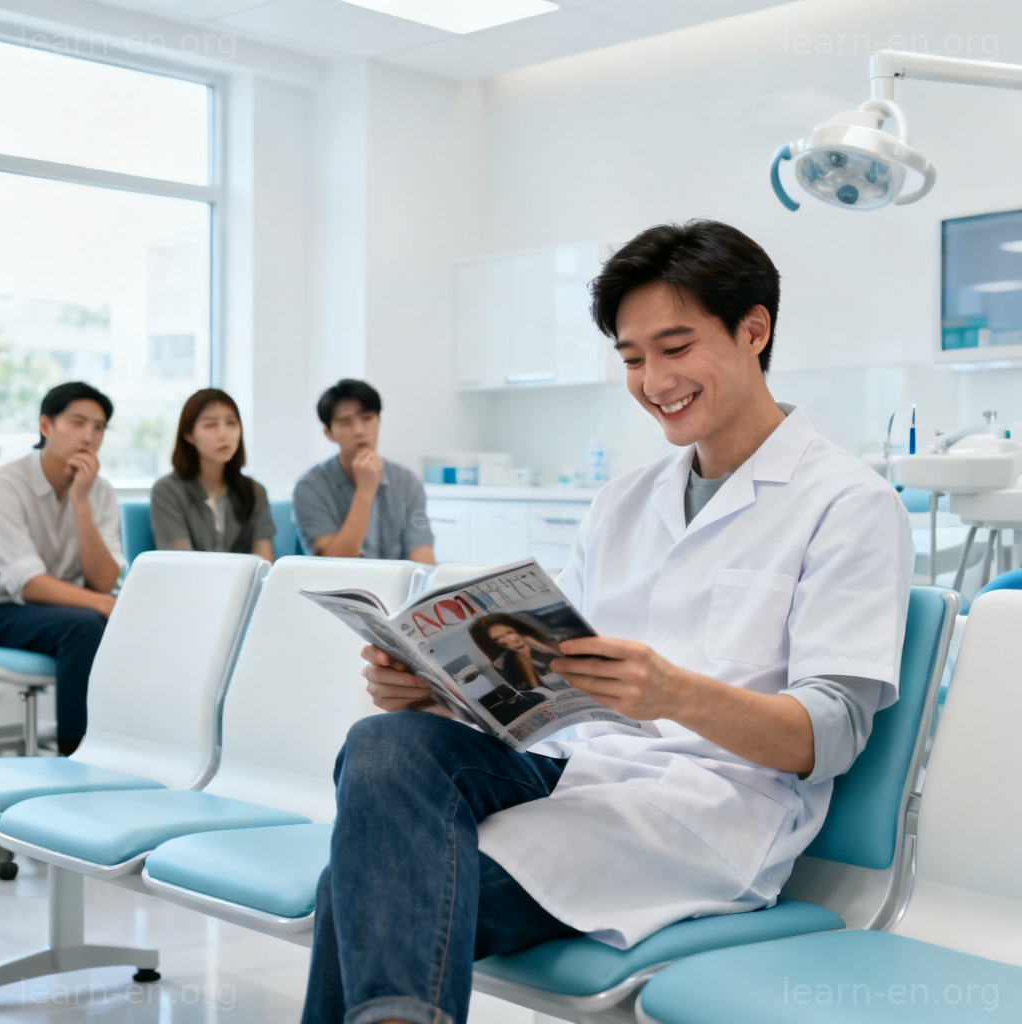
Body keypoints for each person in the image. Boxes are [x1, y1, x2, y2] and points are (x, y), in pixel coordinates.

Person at [300, 220, 913, 1024]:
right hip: (576, 774)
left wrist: (672, 694)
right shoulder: (623, 500)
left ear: (754, 330)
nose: (654, 380)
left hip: (710, 818)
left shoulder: (849, 504)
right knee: (384, 742)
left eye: (675, 347)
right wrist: (440, 690)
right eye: (631, 358)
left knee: (357, 888)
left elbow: (828, 736)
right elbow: (550, 688)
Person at [0, 382, 125, 756]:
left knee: (122, 623)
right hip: (6, 607)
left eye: (99, 427)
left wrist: (81, 503)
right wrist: (101, 604)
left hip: (64, 609)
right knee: (86, 623)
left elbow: (104, 580)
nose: (89, 435)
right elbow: (28, 583)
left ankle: (128, 745)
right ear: (45, 426)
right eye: (78, 422)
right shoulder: (7, 485)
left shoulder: (100, 491)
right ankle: (77, 752)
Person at [293, 379, 435, 563]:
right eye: (345, 423)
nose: (359, 431)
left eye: (367, 418)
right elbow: (331, 566)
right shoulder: (309, 486)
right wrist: (365, 491)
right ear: (329, 433)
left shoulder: (407, 481)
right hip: (336, 590)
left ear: (379, 421)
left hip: (398, 588)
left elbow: (422, 557)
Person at [150, 389, 275, 560]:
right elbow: (180, 562)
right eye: (210, 425)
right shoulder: (166, 490)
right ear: (188, 434)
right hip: (189, 585)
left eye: (231, 423)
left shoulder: (254, 490)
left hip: (245, 586)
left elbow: (265, 559)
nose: (223, 434)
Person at [468, 612, 570, 694]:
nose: (511, 640)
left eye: (510, 632)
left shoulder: (560, 640)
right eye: (498, 639)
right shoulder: (509, 662)